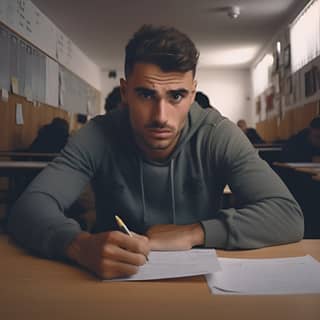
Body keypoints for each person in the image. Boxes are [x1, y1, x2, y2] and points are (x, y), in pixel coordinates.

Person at [8, 25, 303, 280]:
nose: (161, 116)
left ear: (192, 93)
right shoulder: (97, 134)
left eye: (176, 96)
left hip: (199, 283)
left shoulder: (218, 134)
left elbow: (287, 215)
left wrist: (193, 232)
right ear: (125, 93)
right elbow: (29, 207)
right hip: (107, 283)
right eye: (146, 94)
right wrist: (78, 244)